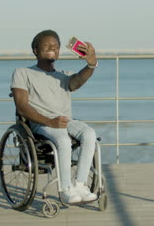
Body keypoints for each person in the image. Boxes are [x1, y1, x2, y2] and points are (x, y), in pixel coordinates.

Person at [10, 29, 99, 204]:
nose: (53, 48)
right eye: (48, 45)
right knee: (63, 140)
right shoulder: (22, 73)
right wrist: (50, 122)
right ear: (35, 49)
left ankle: (80, 185)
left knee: (90, 134)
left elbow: (78, 80)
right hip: (40, 123)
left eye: (56, 46)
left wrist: (91, 65)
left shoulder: (63, 76)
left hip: (65, 122)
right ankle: (65, 189)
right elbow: (21, 107)